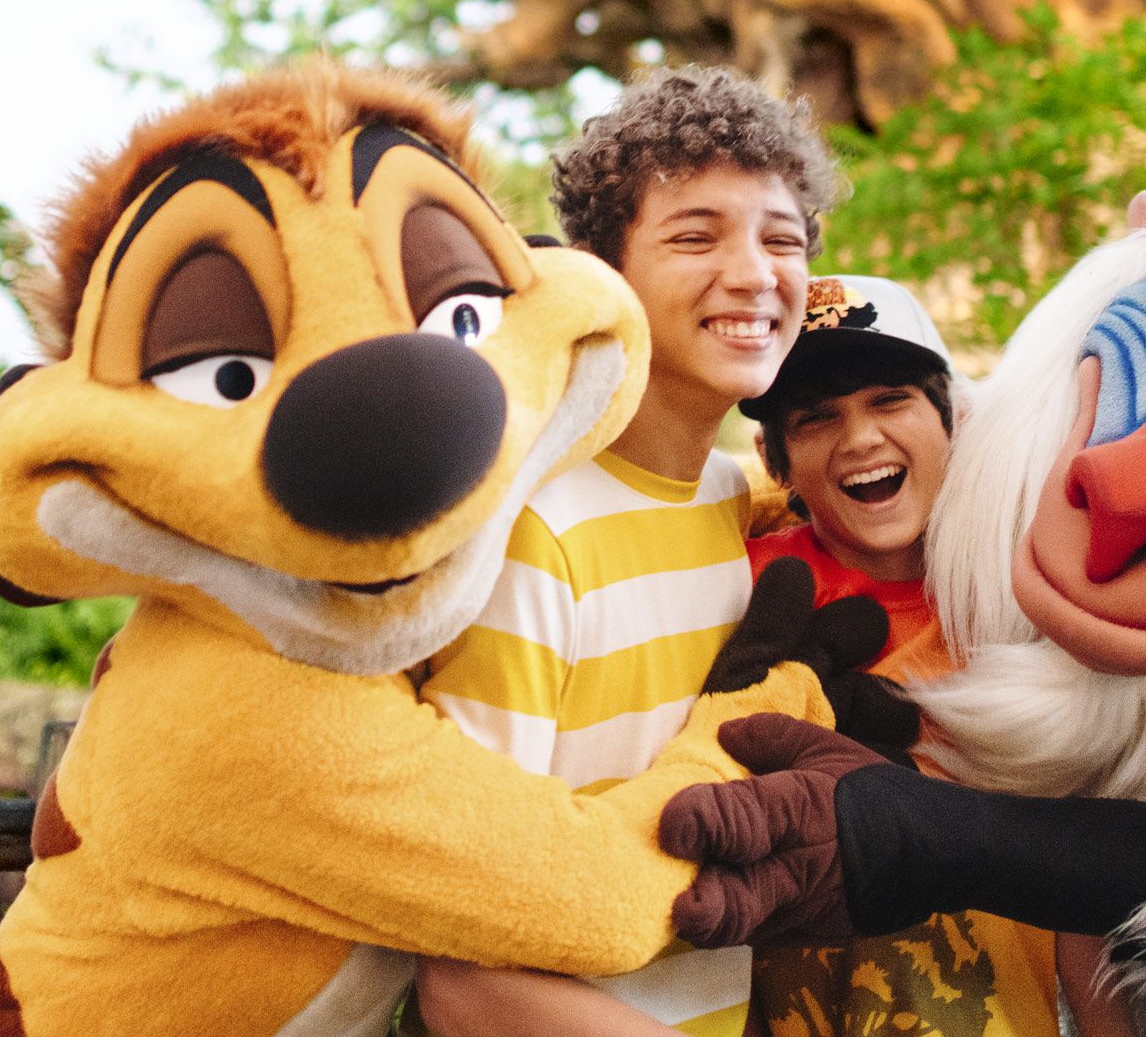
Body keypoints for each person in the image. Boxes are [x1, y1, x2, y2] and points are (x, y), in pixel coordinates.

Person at [415, 65, 843, 1037]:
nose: (752, 271)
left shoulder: (744, 508)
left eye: (781, 238)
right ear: (601, 277)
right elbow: (458, 965)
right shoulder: (531, 532)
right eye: (694, 234)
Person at [740, 274, 1076, 1037]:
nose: (860, 437)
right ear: (776, 458)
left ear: (952, 415)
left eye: (889, 399)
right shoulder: (739, 585)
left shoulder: (1031, 590)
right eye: (818, 417)